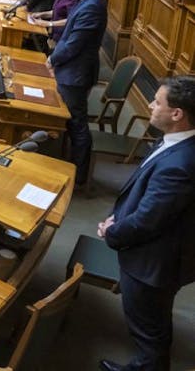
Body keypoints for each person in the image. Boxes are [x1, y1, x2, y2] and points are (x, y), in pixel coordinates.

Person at [96, 76, 195, 371]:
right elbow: (151, 201)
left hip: (154, 264)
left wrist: (112, 231)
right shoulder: (176, 142)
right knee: (153, 325)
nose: (150, 105)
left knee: (149, 331)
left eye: (157, 102)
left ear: (177, 114)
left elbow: (149, 221)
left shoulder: (181, 164)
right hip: (157, 252)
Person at [46, 0, 107, 189]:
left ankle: (79, 175)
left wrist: (53, 59)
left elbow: (74, 43)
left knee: (77, 124)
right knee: (72, 121)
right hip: (71, 70)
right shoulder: (86, 1)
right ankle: (70, 165)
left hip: (76, 74)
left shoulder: (93, 6)